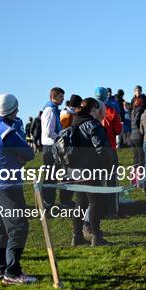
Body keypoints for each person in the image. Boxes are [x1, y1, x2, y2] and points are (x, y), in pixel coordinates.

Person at [0, 93, 36, 284]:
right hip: (9, 187)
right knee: (18, 227)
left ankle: (1, 269)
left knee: (0, 229)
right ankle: (12, 272)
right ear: (14, 108)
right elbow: (29, 153)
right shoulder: (8, 131)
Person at [69, 97, 115, 247]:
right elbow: (101, 149)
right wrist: (108, 166)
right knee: (95, 202)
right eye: (98, 109)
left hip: (75, 170)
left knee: (80, 203)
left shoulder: (75, 122)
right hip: (90, 169)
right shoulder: (92, 125)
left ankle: (77, 237)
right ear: (93, 109)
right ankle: (97, 237)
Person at [40, 87, 70, 211]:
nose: (63, 99)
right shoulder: (50, 110)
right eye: (60, 96)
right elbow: (48, 131)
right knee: (51, 176)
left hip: (52, 145)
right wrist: (59, 137)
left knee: (53, 175)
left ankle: (50, 202)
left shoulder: (54, 109)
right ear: (53, 97)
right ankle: (47, 203)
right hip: (50, 146)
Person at [95, 87, 122, 216]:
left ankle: (98, 209)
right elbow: (118, 130)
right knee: (111, 180)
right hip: (110, 149)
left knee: (97, 180)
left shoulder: (91, 111)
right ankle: (112, 209)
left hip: (95, 152)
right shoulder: (111, 111)